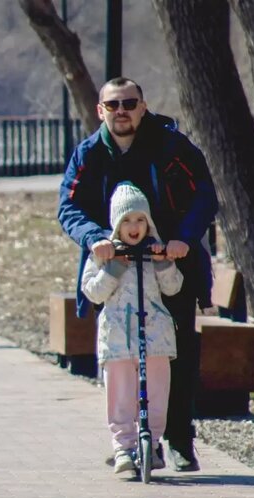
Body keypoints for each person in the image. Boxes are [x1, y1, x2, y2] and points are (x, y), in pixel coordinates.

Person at [58, 76, 218, 472]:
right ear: (100, 111)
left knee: (175, 355)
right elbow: (69, 206)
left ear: (143, 107)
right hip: (115, 270)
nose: (122, 111)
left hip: (168, 262)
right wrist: (95, 238)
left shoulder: (170, 145)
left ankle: (178, 439)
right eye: (112, 105)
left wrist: (181, 239)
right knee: (118, 359)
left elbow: (204, 195)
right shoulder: (90, 153)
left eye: (129, 103)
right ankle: (126, 441)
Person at [80, 183, 183, 475]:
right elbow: (93, 292)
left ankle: (152, 440)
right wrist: (112, 268)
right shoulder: (104, 253)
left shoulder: (155, 251)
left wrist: (165, 263)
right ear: (116, 224)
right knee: (121, 392)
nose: (134, 226)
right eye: (126, 220)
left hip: (155, 336)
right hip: (116, 336)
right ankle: (123, 445)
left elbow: (174, 288)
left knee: (157, 392)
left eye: (139, 219)